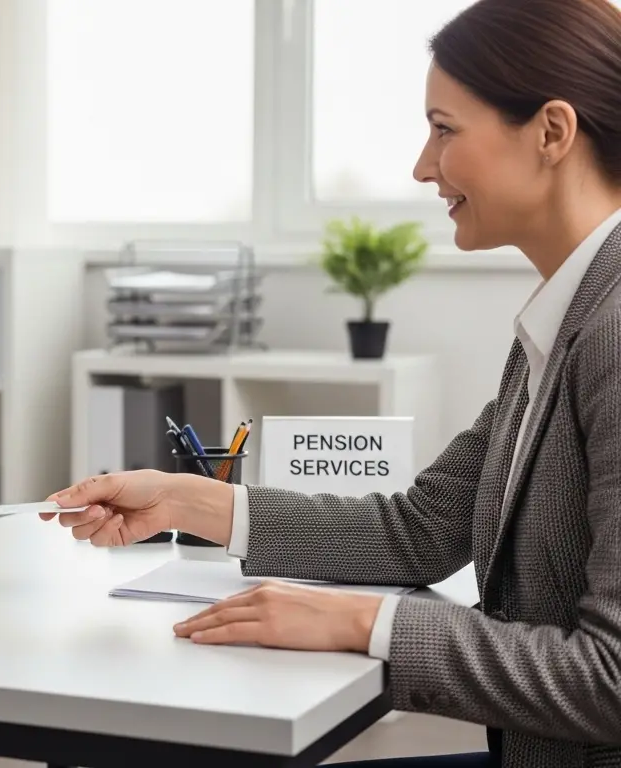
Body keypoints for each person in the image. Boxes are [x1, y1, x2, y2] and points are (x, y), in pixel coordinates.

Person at [46, 0, 621, 766]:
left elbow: (611, 681)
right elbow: (422, 529)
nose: (423, 165)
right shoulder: (561, 321)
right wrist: (187, 501)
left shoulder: (611, 330)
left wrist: (361, 625)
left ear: (552, 132)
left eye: (444, 129)